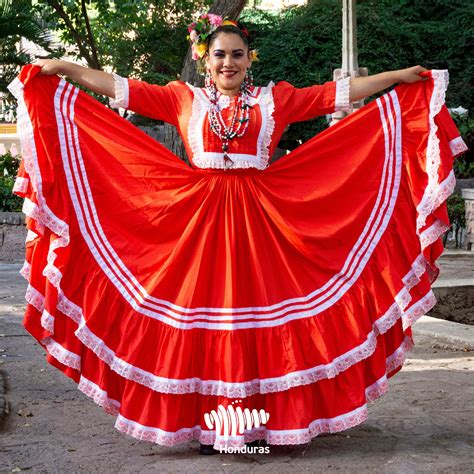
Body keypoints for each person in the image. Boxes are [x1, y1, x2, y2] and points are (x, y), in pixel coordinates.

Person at [10, 15, 466, 455]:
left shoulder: (275, 100)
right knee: (204, 324)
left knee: (255, 324)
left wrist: (397, 77)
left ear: (251, 59)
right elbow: (116, 87)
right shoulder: (181, 98)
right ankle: (210, 427)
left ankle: (255, 425)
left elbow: (336, 94)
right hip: (197, 226)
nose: (228, 63)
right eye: (219, 55)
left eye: (237, 55)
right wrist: (66, 68)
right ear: (204, 58)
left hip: (261, 225)